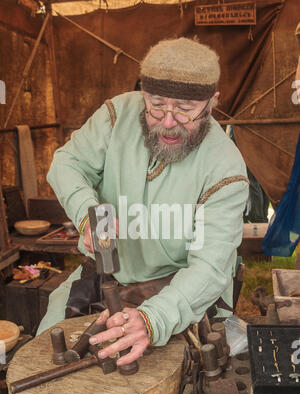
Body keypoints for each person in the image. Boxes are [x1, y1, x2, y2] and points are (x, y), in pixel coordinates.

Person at [37, 37, 249, 368]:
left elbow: (209, 267)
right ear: (143, 94)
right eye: (157, 104)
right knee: (46, 348)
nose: (167, 121)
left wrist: (153, 319)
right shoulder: (117, 114)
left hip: (178, 284)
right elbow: (67, 164)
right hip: (108, 270)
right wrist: (85, 214)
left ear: (212, 102)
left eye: (184, 108)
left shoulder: (226, 169)